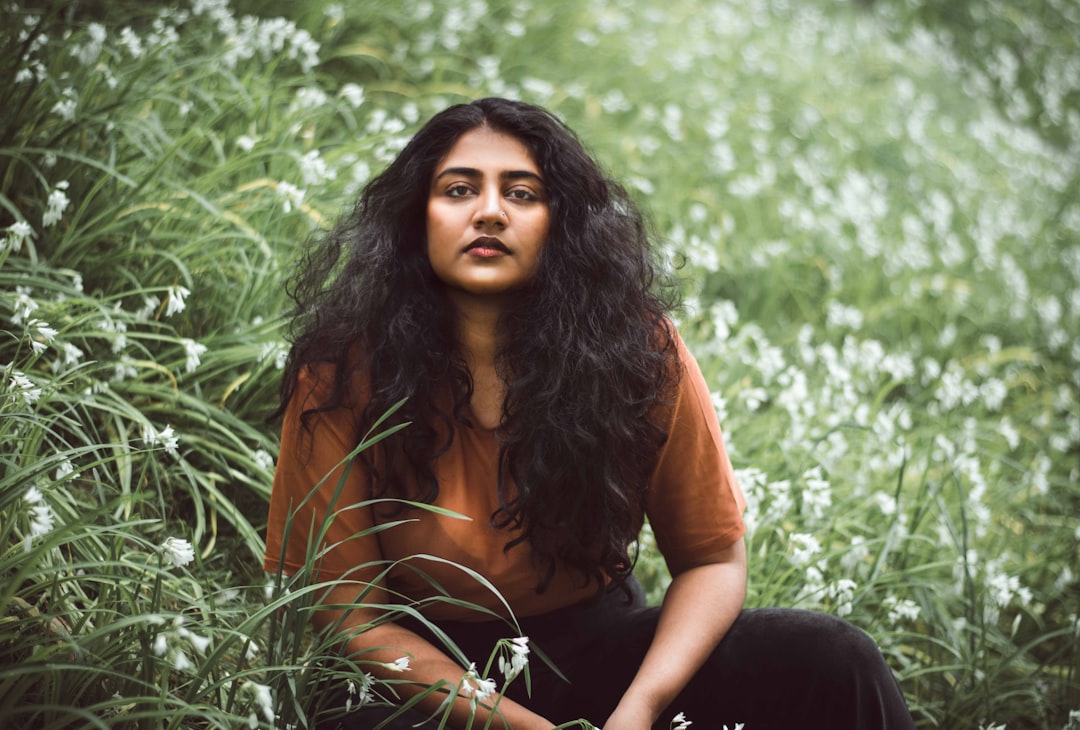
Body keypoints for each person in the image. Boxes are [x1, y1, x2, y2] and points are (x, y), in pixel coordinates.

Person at [263, 97, 915, 730]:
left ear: (562, 221)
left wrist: (641, 708)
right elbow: (351, 615)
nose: (489, 212)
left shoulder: (636, 351)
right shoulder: (338, 370)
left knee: (834, 659)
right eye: (459, 189)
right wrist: (517, 724)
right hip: (420, 682)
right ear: (416, 218)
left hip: (601, 655)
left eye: (522, 193)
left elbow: (713, 561)